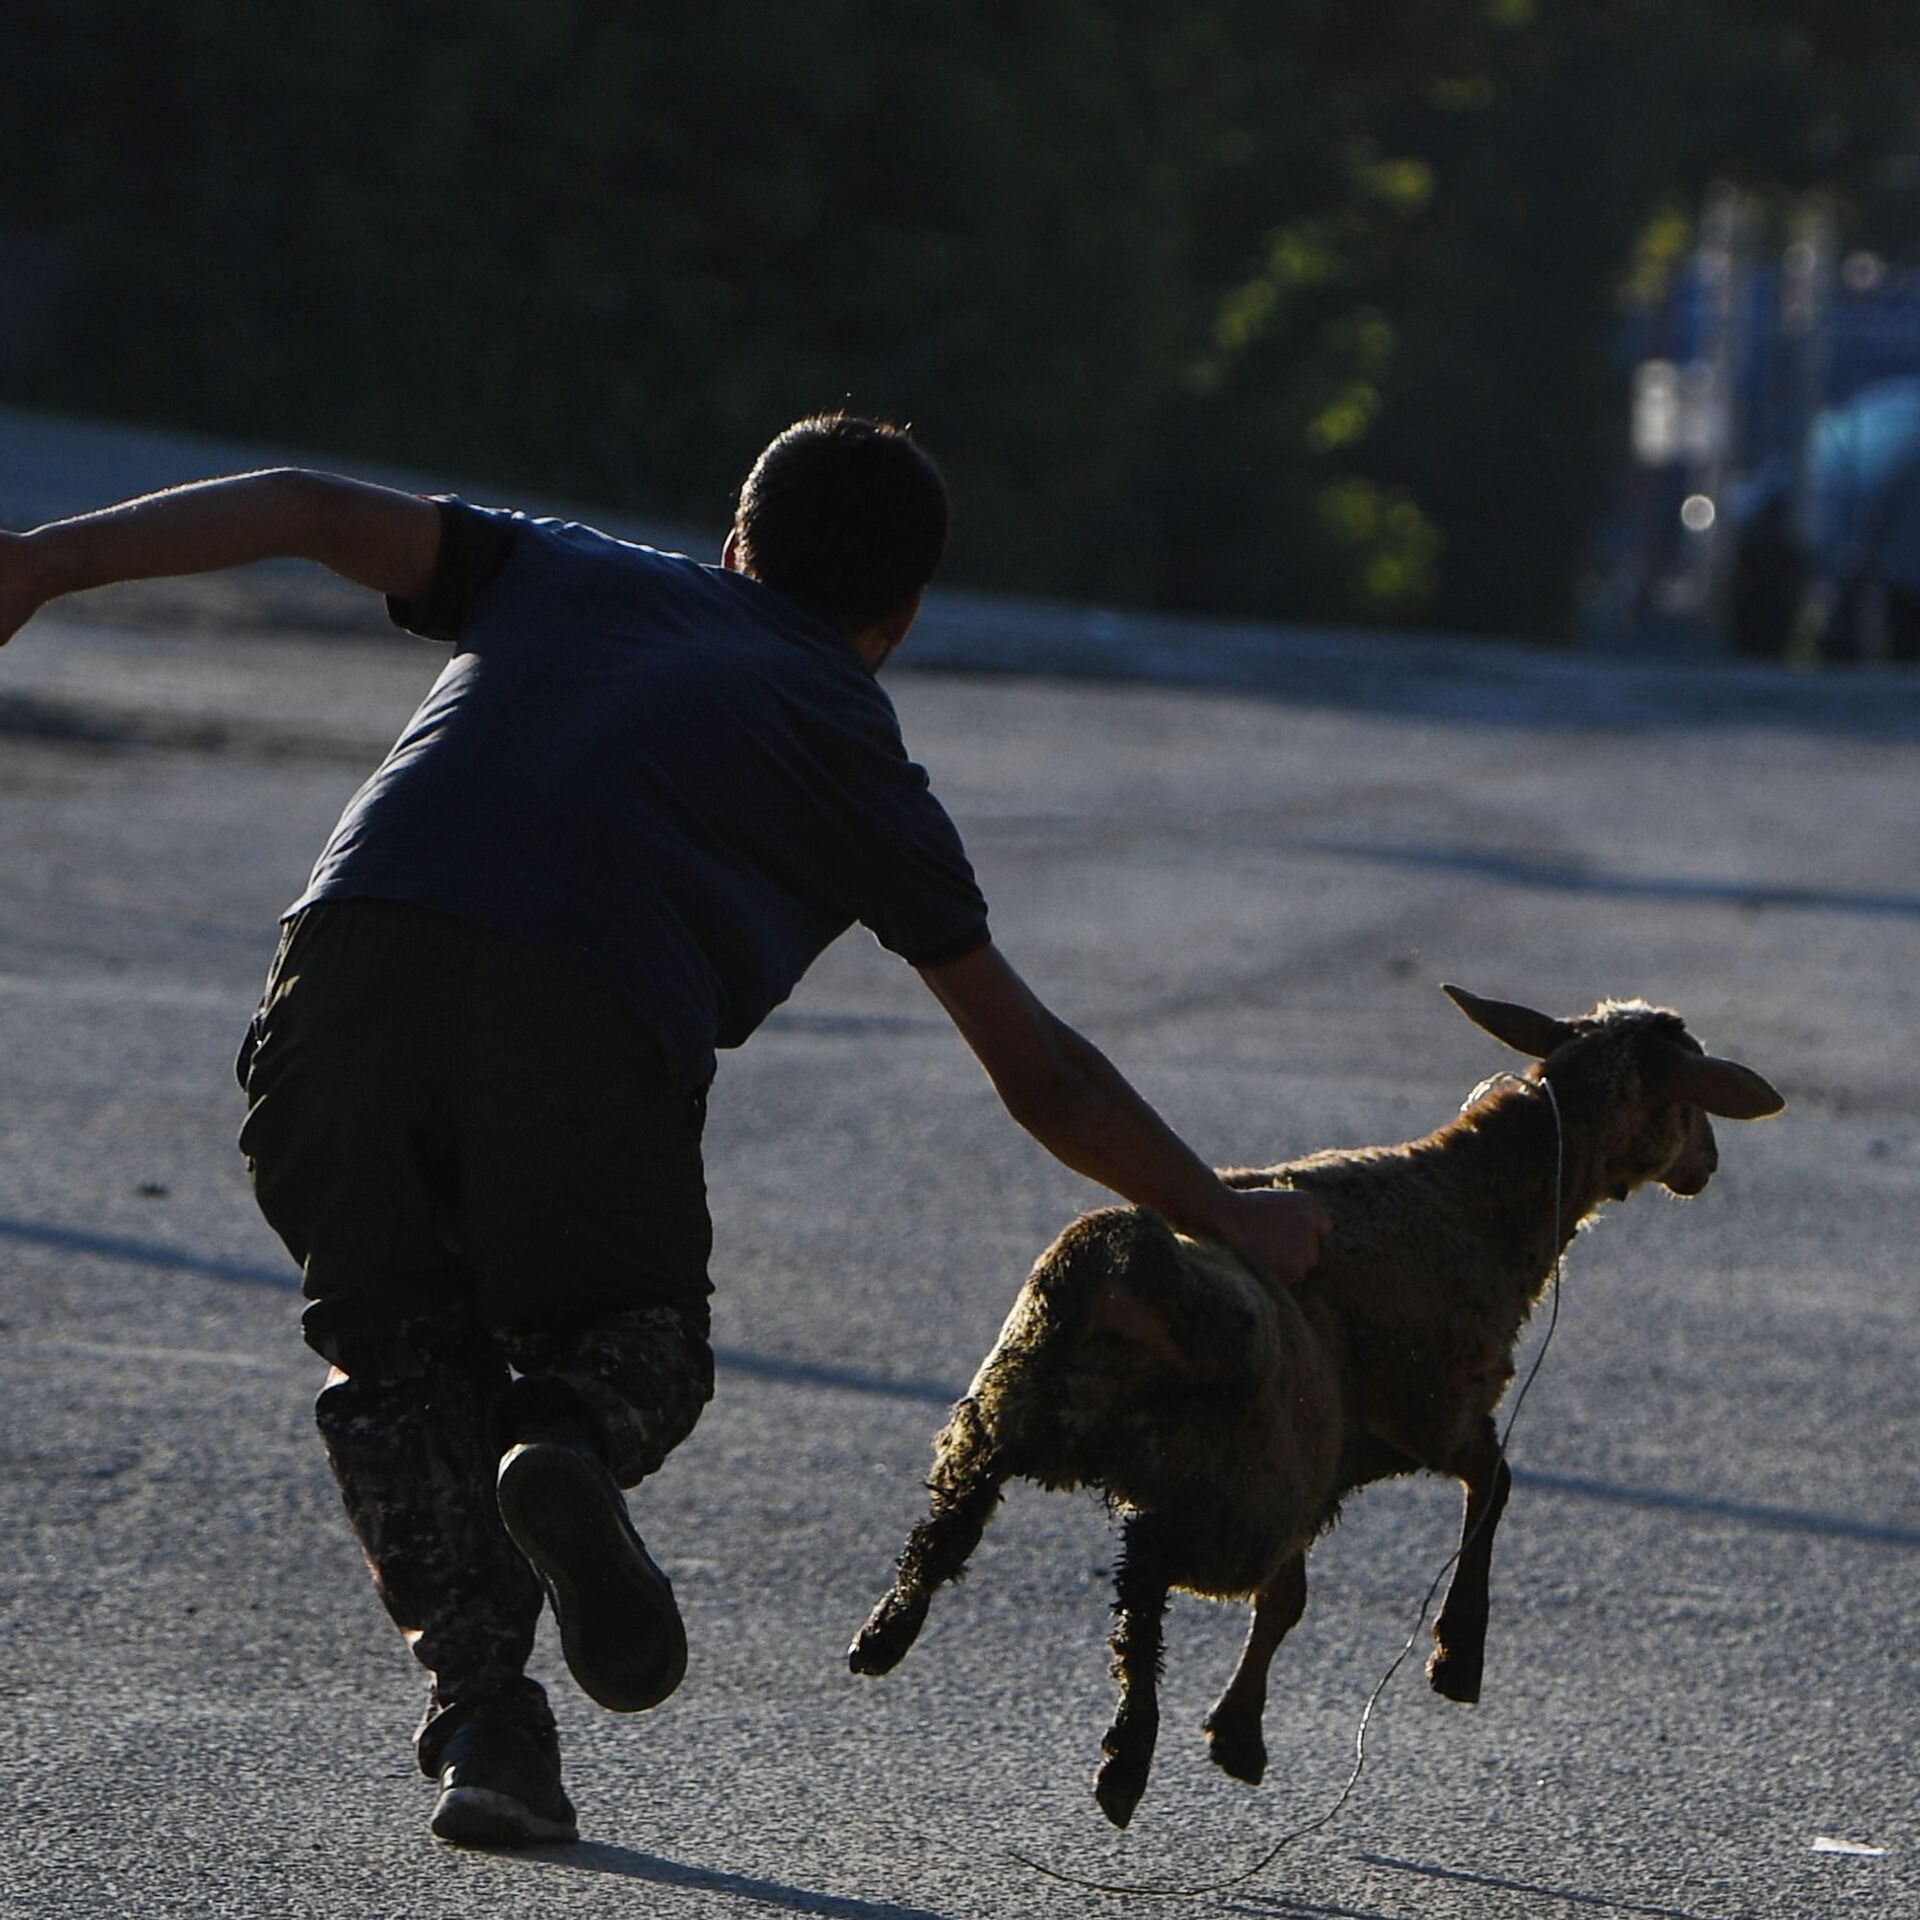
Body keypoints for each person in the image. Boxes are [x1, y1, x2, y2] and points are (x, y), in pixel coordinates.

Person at [0, 415, 1329, 1847]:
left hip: (342, 982)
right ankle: (564, 1441)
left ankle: (488, 1727)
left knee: (395, 1361)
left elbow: (307, 504)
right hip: (579, 1021)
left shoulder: (563, 570)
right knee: (637, 1345)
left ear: (734, 541)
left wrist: (35, 563)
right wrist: (1227, 1212)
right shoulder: (855, 749)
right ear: (902, 617)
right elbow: (1041, 1074)